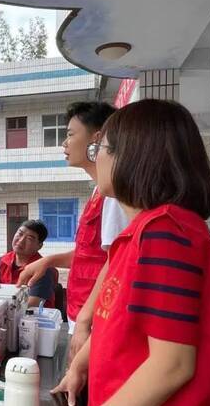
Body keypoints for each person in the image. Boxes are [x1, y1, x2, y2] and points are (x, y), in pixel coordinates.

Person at [54, 99, 210, 406]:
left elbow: (173, 364)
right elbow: (114, 323)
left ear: (132, 156)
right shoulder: (137, 236)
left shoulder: (167, 232)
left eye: (99, 148)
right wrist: (80, 366)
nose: (96, 158)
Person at [18, 102, 129, 360]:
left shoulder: (113, 194)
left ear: (97, 138)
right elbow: (90, 254)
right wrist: (48, 261)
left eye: (69, 134)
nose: (64, 144)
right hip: (82, 314)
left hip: (96, 321)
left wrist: (85, 321)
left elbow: (116, 262)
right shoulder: (97, 190)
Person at [0, 220, 57, 308]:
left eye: (29, 238)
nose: (21, 240)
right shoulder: (2, 261)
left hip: (33, 319)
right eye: (20, 234)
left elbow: (31, 304)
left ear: (39, 246)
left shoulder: (42, 269)